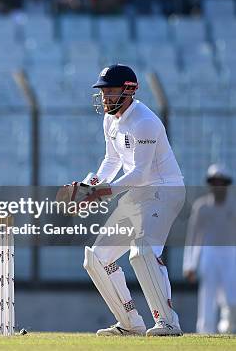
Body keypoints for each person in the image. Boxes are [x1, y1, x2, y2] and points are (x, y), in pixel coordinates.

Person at [67, 64, 186, 336]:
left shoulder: (144, 122)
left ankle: (168, 322)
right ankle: (130, 323)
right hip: (137, 193)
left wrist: (102, 193)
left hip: (163, 190)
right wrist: (90, 185)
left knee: (142, 251)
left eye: (111, 91)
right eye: (103, 92)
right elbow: (112, 160)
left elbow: (141, 174)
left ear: (129, 90)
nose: (106, 97)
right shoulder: (110, 120)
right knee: (97, 258)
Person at [183, 164, 236, 333]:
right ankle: (205, 332)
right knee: (208, 296)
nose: (218, 186)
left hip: (231, 255)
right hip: (209, 255)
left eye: (221, 182)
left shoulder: (234, 205)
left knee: (232, 297)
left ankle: (229, 328)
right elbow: (193, 237)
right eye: (214, 182)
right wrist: (189, 265)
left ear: (227, 184)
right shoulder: (201, 207)